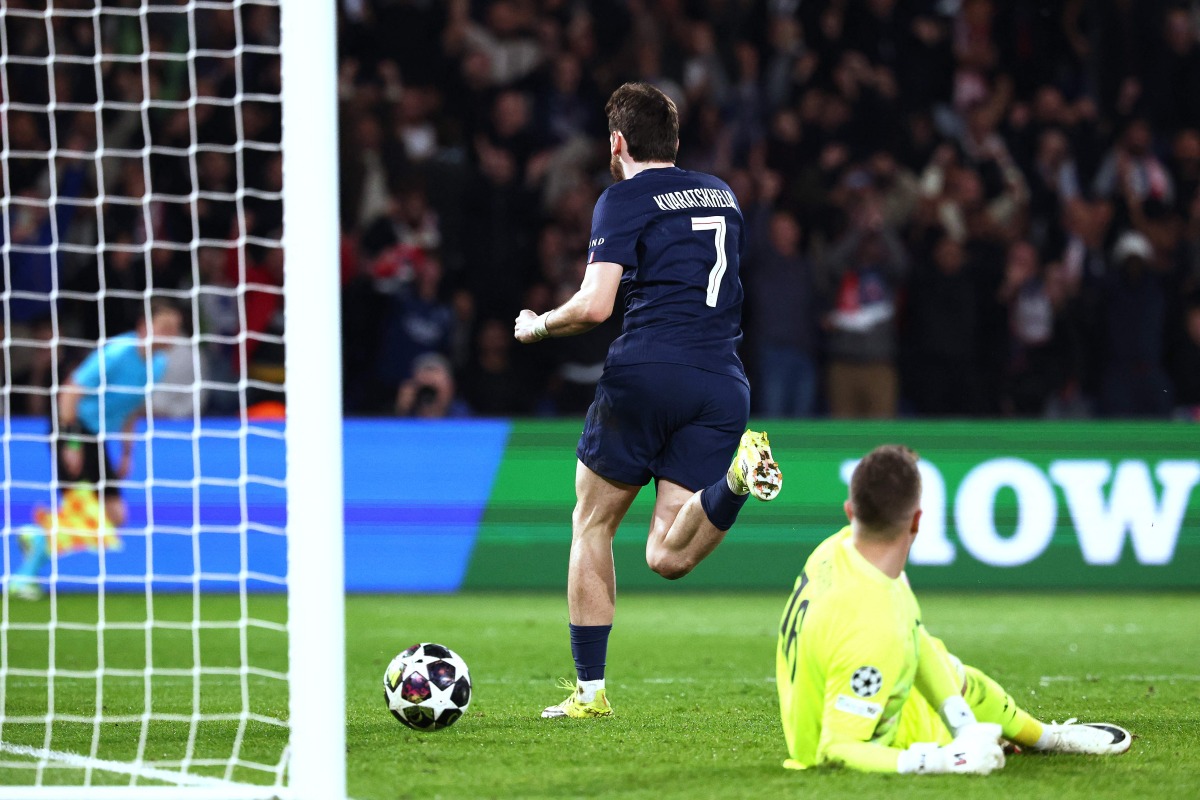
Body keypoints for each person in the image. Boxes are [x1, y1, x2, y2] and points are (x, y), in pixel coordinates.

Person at [514, 82, 782, 719]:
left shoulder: (622, 198)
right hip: (722, 383)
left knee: (592, 524)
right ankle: (737, 480)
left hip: (648, 372)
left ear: (616, 143)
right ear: (676, 142)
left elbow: (595, 306)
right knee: (666, 553)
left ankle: (590, 694)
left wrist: (538, 324)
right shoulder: (723, 194)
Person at [776, 445, 1131, 774]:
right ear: (917, 521)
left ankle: (1045, 739)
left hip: (813, 710)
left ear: (851, 512)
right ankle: (1033, 737)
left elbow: (914, 637)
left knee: (947, 666)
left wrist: (963, 724)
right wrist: (947, 758)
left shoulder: (837, 548)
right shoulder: (874, 625)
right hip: (849, 747)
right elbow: (836, 748)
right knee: (965, 683)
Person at [56, 299, 183, 531]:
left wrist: (126, 454)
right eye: (165, 328)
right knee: (82, 515)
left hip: (97, 435)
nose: (171, 335)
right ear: (144, 326)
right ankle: (38, 539)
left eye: (175, 329)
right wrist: (71, 444)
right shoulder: (116, 353)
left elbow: (132, 409)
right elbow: (69, 393)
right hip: (72, 426)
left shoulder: (158, 364)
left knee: (116, 516)